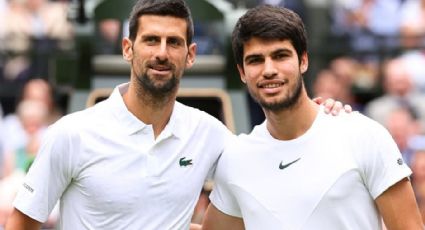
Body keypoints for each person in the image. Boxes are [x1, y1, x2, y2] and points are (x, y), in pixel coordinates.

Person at [5, 1, 348, 229]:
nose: (161, 53)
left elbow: (271, 161)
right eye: (151, 40)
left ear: (190, 54)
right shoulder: (72, 133)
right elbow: (23, 222)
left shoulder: (208, 134)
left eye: (174, 42)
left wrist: (320, 116)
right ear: (129, 49)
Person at [202, 5, 423, 230]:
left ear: (303, 61)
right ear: (242, 72)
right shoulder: (235, 159)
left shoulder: (363, 135)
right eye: (256, 60)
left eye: (280, 56)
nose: (269, 69)